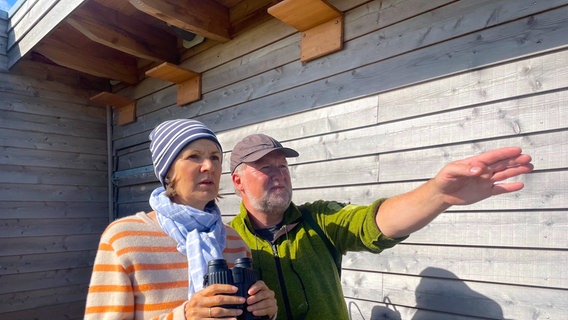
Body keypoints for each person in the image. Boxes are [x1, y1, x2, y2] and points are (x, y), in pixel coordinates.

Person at [228, 133, 533, 320]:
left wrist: (438, 195)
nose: (279, 174)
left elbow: (373, 223)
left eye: (283, 166)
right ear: (238, 181)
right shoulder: (227, 241)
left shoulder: (317, 220)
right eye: (266, 167)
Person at [85, 120, 277, 320]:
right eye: (194, 156)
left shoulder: (235, 242)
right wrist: (183, 316)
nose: (209, 166)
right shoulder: (123, 239)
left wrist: (266, 311)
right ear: (168, 171)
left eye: (215, 157)